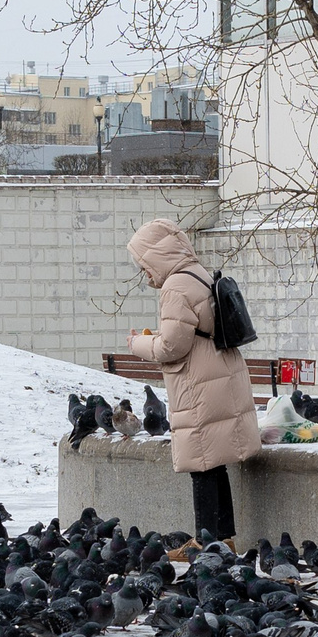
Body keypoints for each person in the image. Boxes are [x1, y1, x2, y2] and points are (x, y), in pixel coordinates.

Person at [126, 218, 260, 543]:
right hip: (219, 373)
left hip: (198, 383)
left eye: (144, 264)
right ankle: (225, 538)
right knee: (215, 463)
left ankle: (206, 542)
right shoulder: (198, 272)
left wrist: (137, 343)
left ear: (159, 257)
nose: (144, 273)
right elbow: (191, 331)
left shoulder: (174, 287)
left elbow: (173, 346)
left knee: (201, 465)